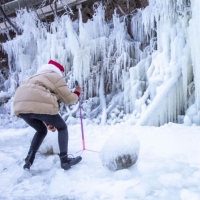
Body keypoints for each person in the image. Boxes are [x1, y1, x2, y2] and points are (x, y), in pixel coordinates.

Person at [13, 59, 82, 170]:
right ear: (58, 71)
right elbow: (68, 99)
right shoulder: (55, 77)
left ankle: (28, 160)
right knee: (62, 128)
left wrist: (47, 121)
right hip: (38, 106)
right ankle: (65, 160)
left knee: (41, 130)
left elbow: (36, 98)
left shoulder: (33, 78)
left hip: (21, 107)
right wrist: (77, 93)